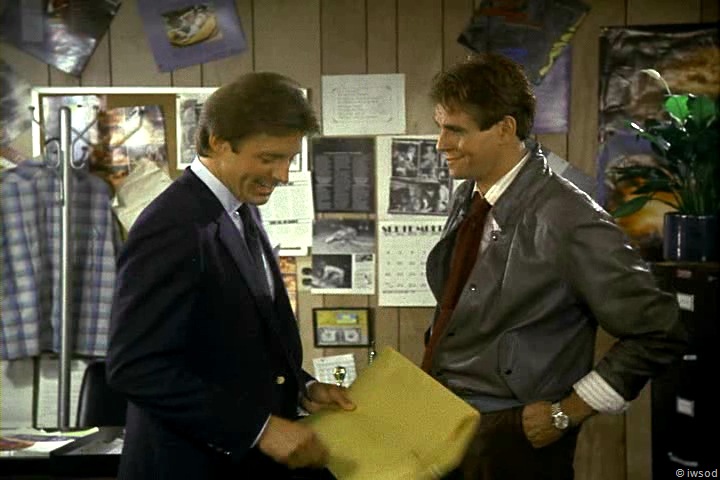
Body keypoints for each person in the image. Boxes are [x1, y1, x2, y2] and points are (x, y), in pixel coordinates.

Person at [423, 53, 688, 479]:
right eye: (440, 127)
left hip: (515, 438)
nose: (440, 144)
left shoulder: (568, 216)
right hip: (454, 424)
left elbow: (660, 330)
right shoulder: (469, 197)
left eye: (455, 130)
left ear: (505, 128)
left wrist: (568, 413)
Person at [106, 72, 355, 480]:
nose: (282, 175)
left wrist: (304, 387)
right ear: (218, 142)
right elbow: (135, 366)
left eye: (289, 159)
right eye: (268, 158)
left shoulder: (240, 209)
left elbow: (235, 342)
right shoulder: (173, 225)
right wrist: (259, 429)